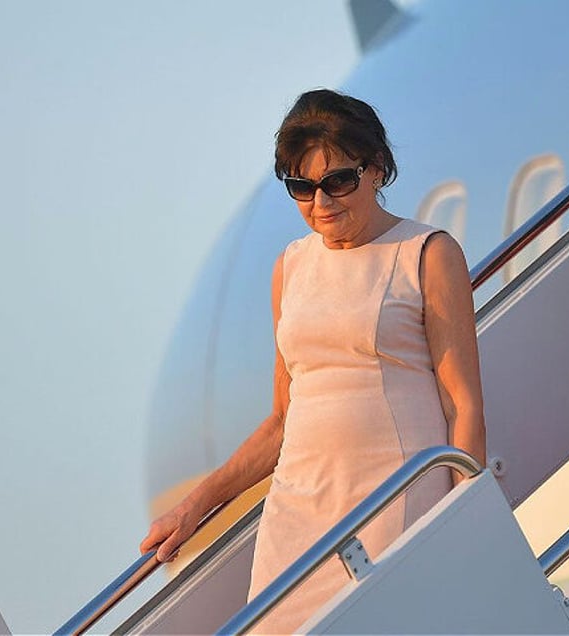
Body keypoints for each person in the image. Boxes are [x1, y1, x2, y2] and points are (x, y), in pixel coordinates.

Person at [140, 88, 486, 634]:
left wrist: (468, 515)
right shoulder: (291, 267)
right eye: (302, 187)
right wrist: (192, 508)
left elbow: (461, 401)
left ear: (375, 170)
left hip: (391, 498)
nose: (321, 203)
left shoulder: (426, 253)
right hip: (298, 511)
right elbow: (282, 420)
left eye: (338, 182)